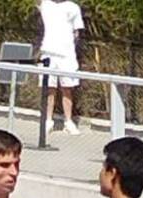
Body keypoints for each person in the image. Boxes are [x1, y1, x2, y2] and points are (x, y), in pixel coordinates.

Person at [37, 0, 84, 135]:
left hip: (67, 54)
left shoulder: (73, 7)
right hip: (48, 53)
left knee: (67, 88)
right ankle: (48, 120)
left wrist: (68, 47)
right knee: (49, 89)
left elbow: (77, 33)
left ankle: (68, 121)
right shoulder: (45, 4)